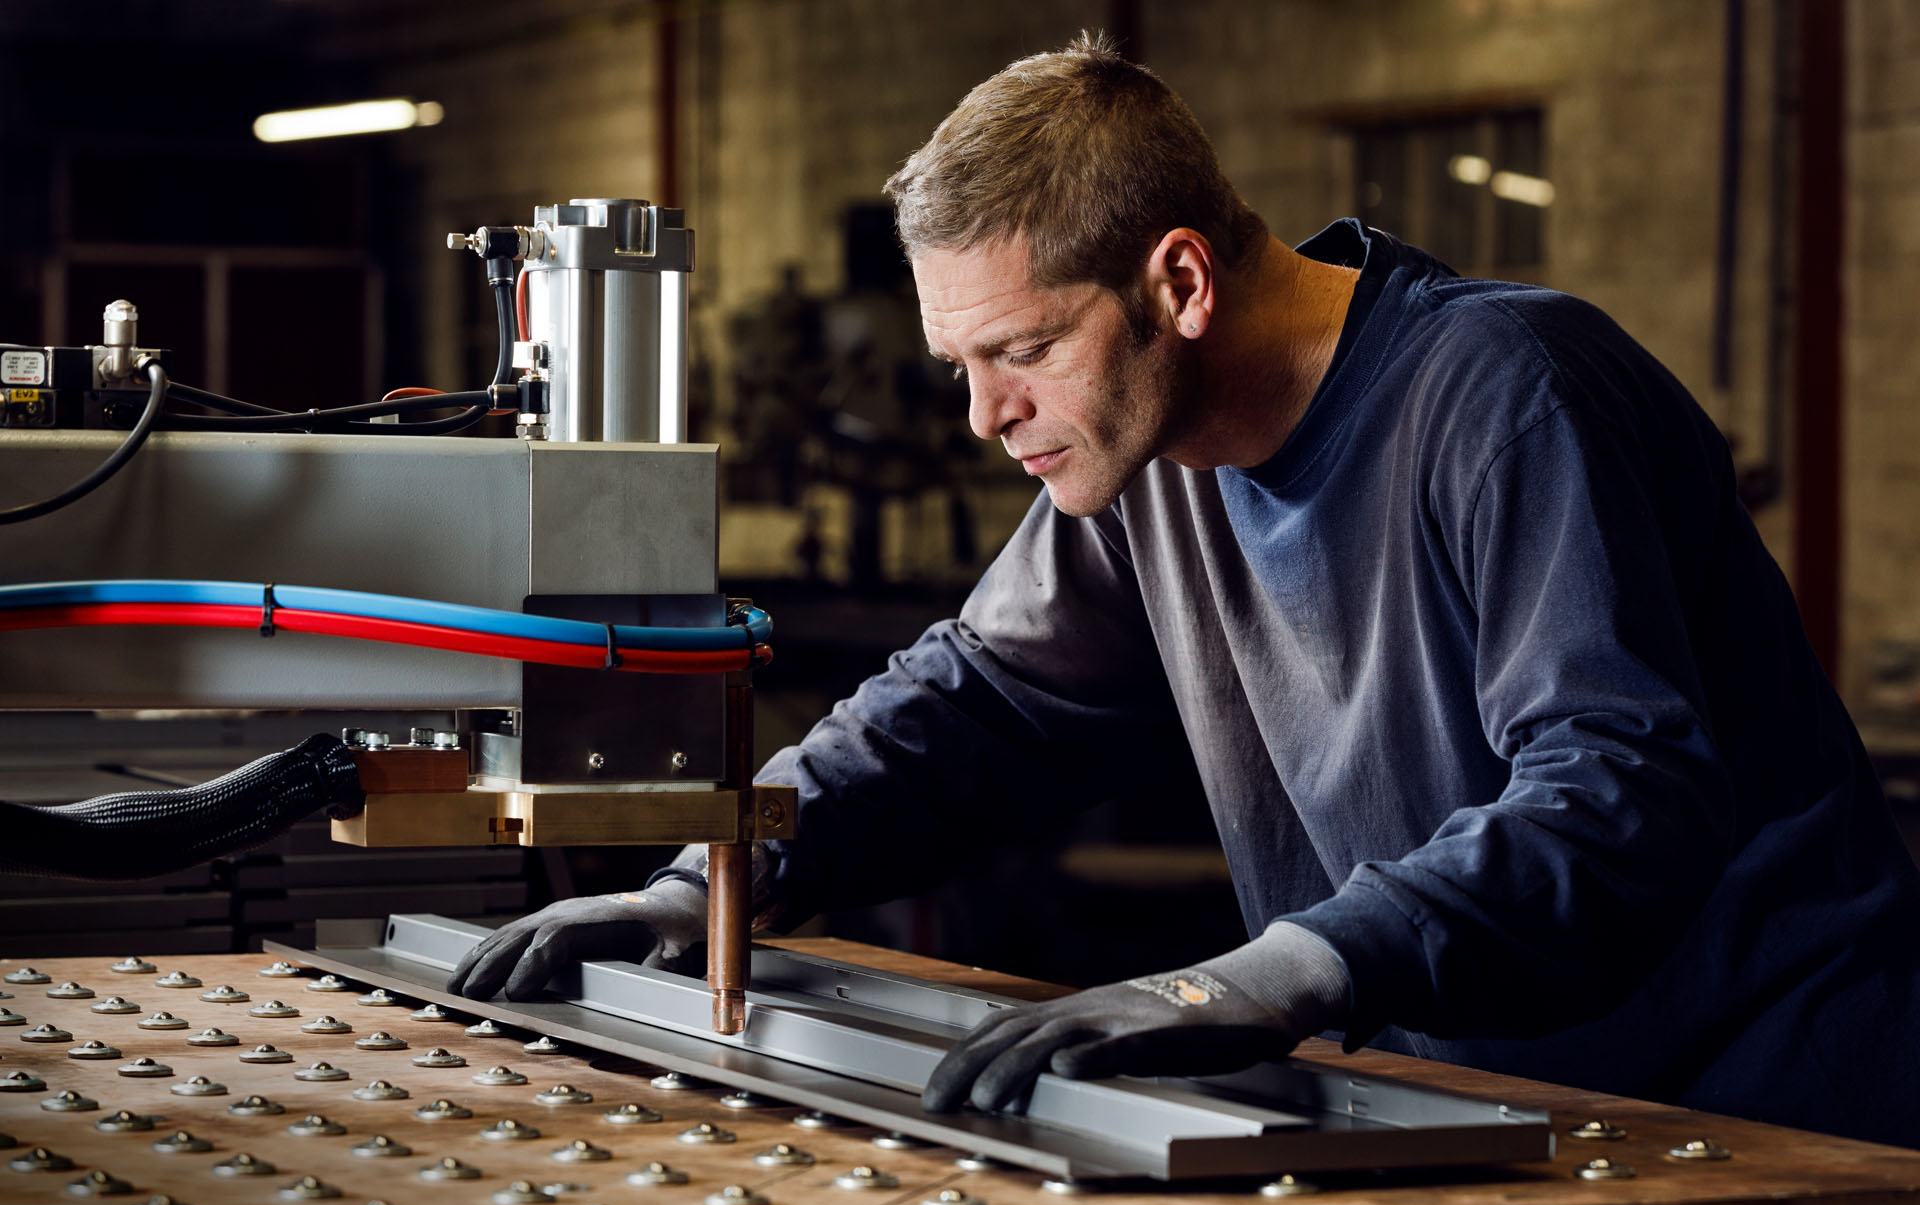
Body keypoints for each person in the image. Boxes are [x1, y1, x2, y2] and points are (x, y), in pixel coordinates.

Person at [449, 33, 1920, 1147]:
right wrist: (713, 875)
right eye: (959, 365)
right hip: (1489, 1101)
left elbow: (1617, 796)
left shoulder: (1507, 394)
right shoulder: (1142, 470)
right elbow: (976, 704)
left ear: (1182, 284)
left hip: (1769, 1101)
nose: (984, 413)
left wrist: (1270, 974)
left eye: (1021, 350)